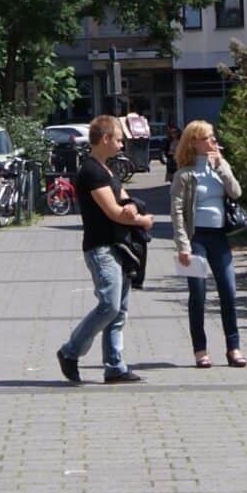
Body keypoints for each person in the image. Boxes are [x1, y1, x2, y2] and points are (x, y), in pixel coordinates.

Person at [58, 113, 155, 385]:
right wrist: (142, 220)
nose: (122, 145)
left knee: (120, 310)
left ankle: (114, 366)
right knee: (109, 306)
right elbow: (114, 211)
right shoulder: (91, 171)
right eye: (119, 140)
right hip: (101, 248)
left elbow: (125, 199)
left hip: (118, 246)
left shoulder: (107, 169)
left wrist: (133, 206)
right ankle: (70, 352)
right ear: (105, 139)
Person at [168, 120, 246, 368]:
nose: (213, 141)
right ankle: (200, 350)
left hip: (219, 237)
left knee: (228, 290)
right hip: (196, 239)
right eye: (208, 138)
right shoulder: (184, 175)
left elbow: (236, 192)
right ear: (193, 142)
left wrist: (221, 167)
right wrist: (183, 245)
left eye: (214, 137)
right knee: (198, 294)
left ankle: (233, 347)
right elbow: (177, 212)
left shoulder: (220, 166)